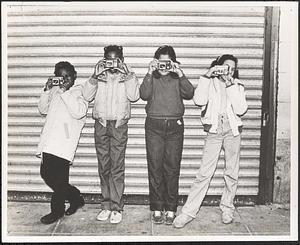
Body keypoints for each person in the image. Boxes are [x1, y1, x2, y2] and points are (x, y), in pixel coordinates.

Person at [173, 54, 248, 228]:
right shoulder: (210, 82)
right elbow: (199, 100)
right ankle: (188, 212)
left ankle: (227, 207)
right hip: (214, 131)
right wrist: (208, 75)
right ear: (218, 66)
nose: (228, 70)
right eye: (225, 66)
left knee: (231, 172)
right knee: (204, 173)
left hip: (232, 131)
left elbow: (241, 109)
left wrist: (230, 84)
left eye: (232, 68)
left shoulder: (237, 85)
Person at [82, 45, 140, 224]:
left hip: (119, 124)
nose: (112, 63)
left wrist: (128, 75)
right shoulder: (100, 76)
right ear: (103, 59)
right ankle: (105, 204)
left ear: (122, 59)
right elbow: (86, 95)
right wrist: (94, 76)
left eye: (116, 59)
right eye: (109, 59)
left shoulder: (128, 76)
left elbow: (134, 96)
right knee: (104, 166)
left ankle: (116, 206)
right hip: (101, 124)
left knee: (116, 166)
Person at [140, 45, 194, 225]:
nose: (164, 67)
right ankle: (157, 207)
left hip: (175, 127)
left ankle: (171, 208)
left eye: (167, 63)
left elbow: (189, 93)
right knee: (155, 167)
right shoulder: (152, 77)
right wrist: (149, 72)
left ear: (173, 62)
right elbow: (144, 94)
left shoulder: (176, 77)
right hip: (154, 125)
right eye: (160, 63)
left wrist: (180, 73)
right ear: (156, 62)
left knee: (172, 168)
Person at [36, 61, 88, 224]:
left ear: (75, 76)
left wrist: (65, 91)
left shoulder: (80, 92)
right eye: (60, 76)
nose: (64, 79)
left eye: (68, 76)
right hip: (49, 141)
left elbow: (79, 112)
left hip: (64, 142)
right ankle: (75, 196)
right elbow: (43, 110)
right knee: (46, 174)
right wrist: (46, 90)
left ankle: (56, 211)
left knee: (59, 180)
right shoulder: (55, 91)